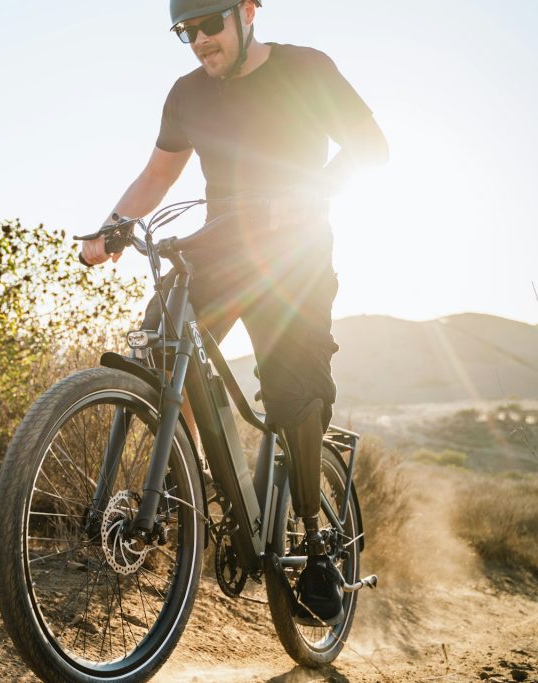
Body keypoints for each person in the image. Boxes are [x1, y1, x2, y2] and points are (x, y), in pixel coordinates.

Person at [80, 0, 388, 626]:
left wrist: (307, 193)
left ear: (248, 11)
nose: (198, 40)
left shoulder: (307, 71)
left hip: (293, 255)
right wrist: (111, 230)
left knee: (293, 393)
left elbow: (371, 149)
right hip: (218, 248)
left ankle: (313, 544)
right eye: (184, 31)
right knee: (159, 344)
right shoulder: (187, 94)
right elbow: (159, 173)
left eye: (209, 24)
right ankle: (185, 489)